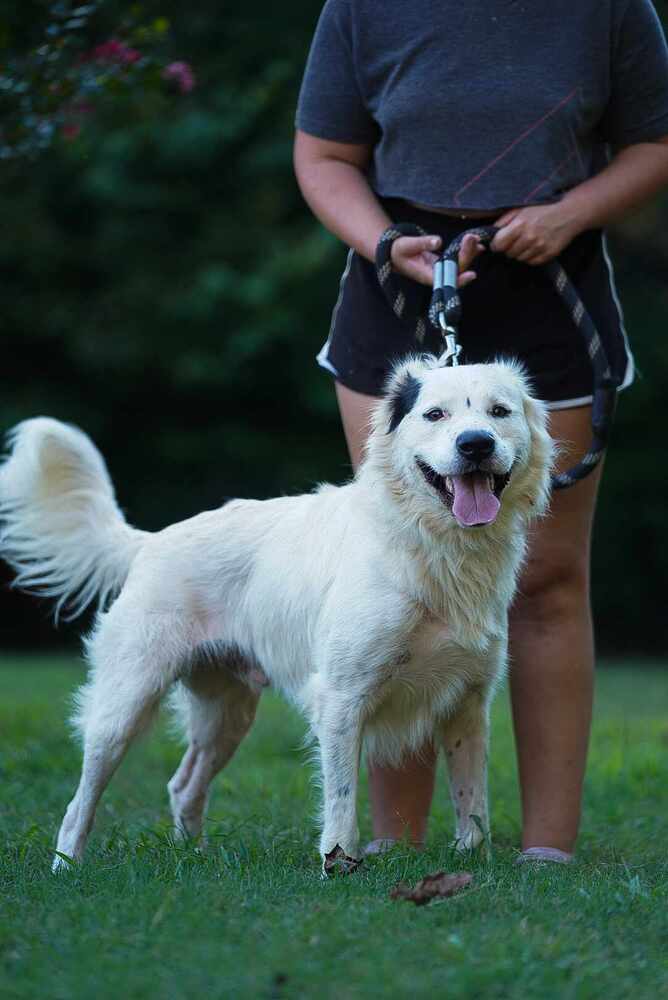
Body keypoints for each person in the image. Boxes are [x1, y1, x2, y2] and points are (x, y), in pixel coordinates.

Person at [292, 0, 668, 862]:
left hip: (552, 292)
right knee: (395, 577)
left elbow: (657, 141)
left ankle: (547, 851)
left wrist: (570, 214)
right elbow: (323, 157)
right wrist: (385, 243)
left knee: (547, 579)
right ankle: (394, 846)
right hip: (397, 283)